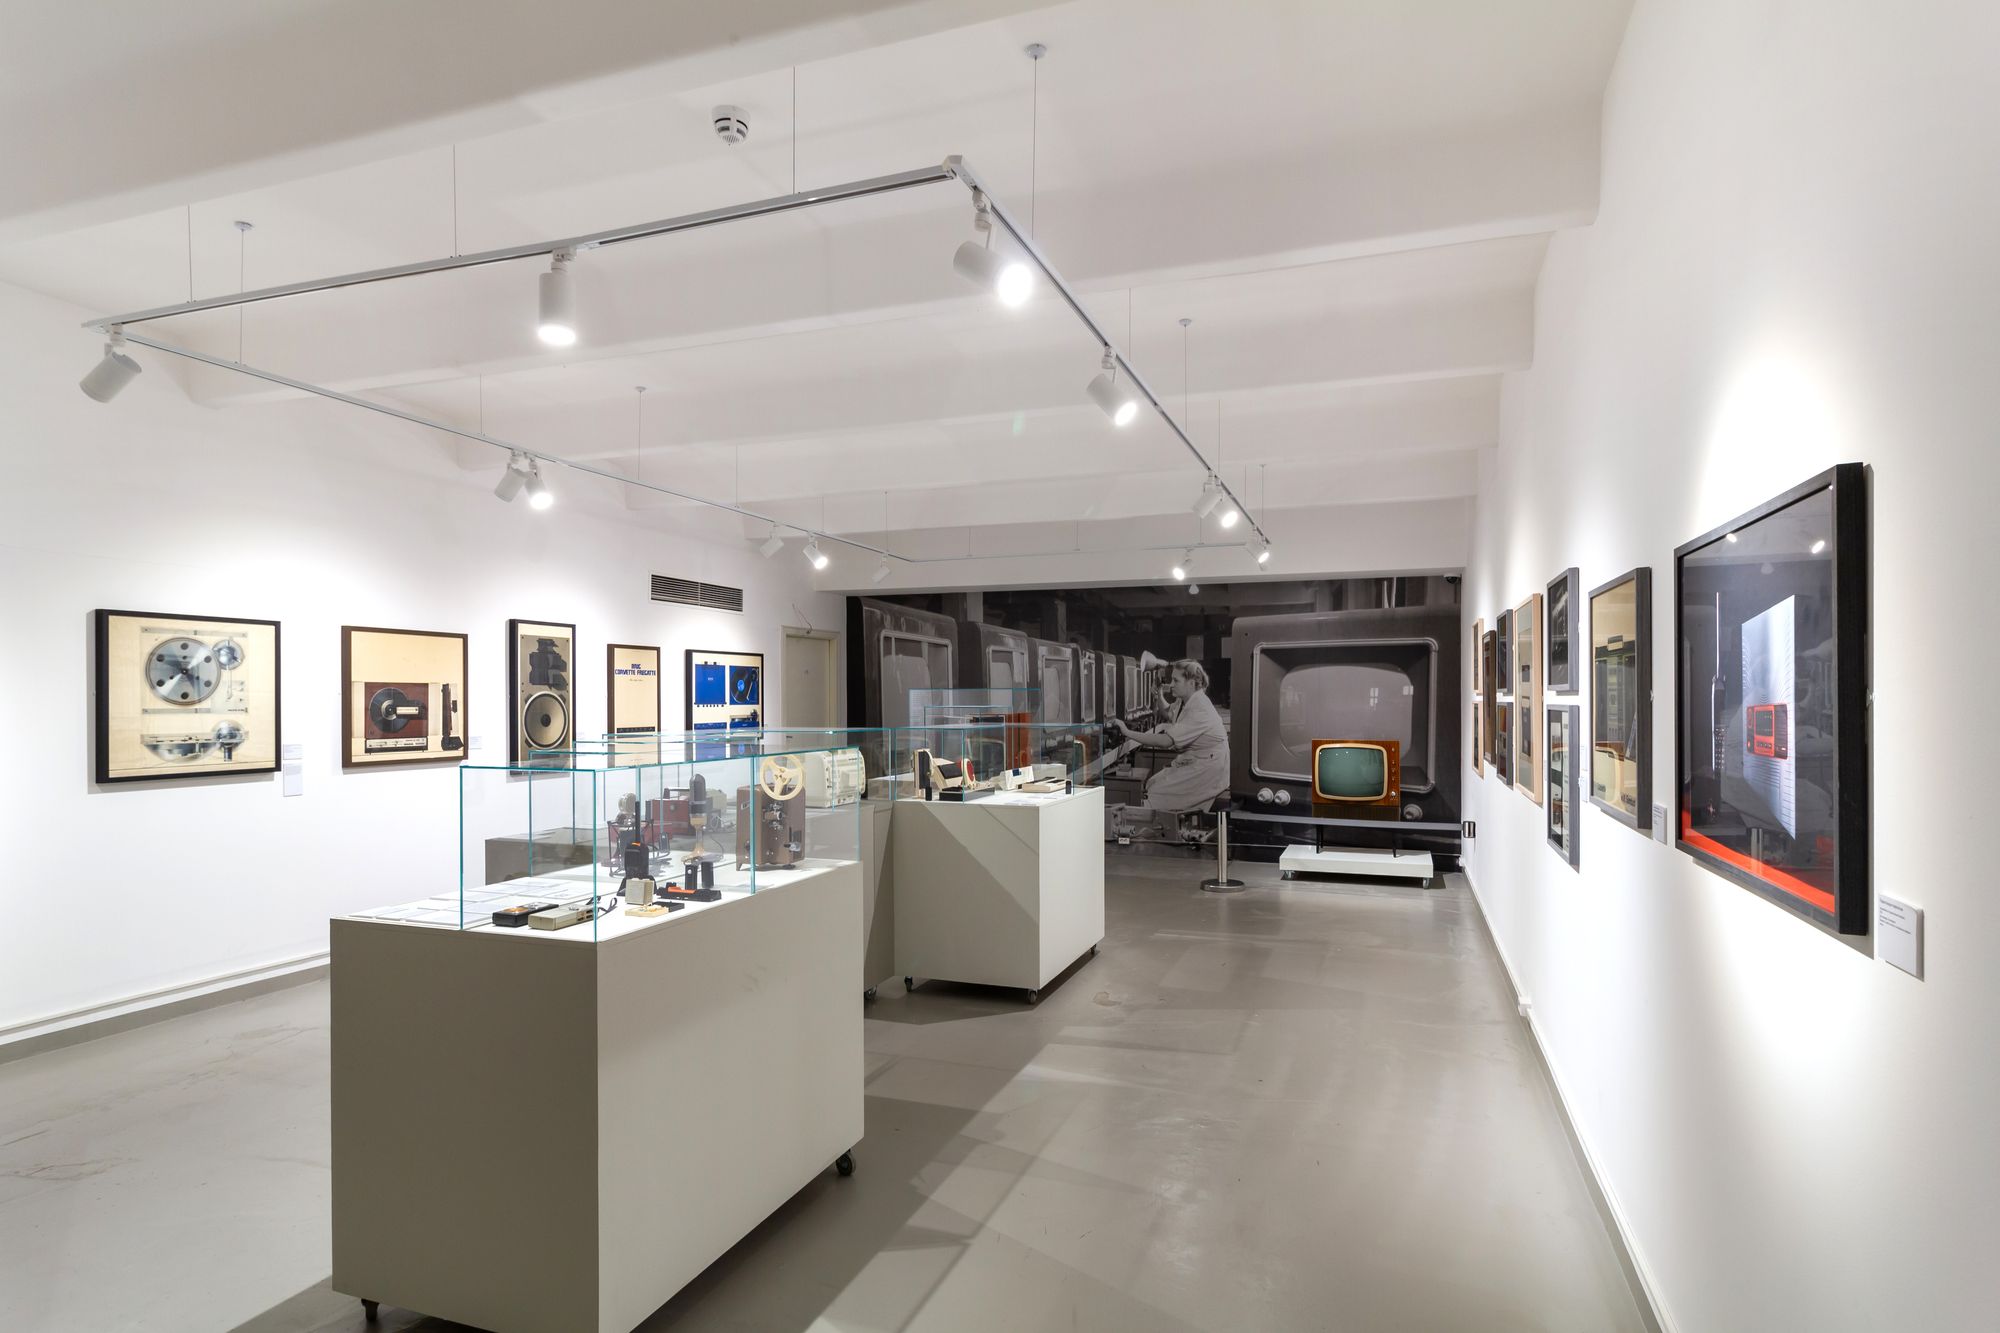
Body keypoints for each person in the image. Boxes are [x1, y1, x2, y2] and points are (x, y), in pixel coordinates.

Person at [1109, 658, 1228, 835]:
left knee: (1157, 793)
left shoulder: (1200, 708)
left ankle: (1154, 833)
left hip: (1209, 768)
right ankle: (1162, 829)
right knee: (1152, 783)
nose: (1171, 685)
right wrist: (1158, 694)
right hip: (1196, 760)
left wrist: (1127, 732)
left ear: (1192, 683)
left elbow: (1166, 741)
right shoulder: (1185, 700)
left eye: (1176, 680)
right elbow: (1167, 712)